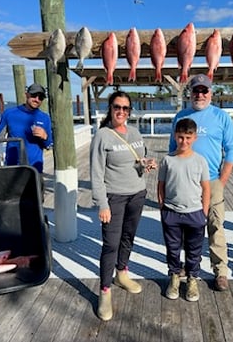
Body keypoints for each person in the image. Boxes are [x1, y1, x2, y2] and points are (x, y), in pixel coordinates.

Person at [90, 90, 157, 321]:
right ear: (110, 109)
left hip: (137, 194)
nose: (121, 111)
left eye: (125, 108)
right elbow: (96, 174)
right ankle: (105, 291)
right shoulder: (102, 136)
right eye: (117, 107)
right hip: (114, 197)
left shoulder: (135, 132)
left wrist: (146, 164)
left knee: (128, 237)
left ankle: (122, 273)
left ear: (130, 111)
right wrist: (102, 204)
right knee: (110, 244)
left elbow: (138, 160)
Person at [169, 74, 233, 291]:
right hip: (185, 183)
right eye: (196, 91)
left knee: (215, 225)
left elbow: (232, 149)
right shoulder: (181, 115)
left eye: (204, 91)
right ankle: (184, 267)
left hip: (212, 180)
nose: (200, 95)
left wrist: (223, 180)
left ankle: (220, 271)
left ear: (211, 93)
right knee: (183, 227)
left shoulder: (221, 117)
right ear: (190, 92)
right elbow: (173, 149)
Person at [158, 118, 210, 302]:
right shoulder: (167, 160)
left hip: (195, 212)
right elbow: (161, 185)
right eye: (180, 137)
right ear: (175, 136)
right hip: (171, 212)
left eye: (188, 137)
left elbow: (206, 188)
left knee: (194, 249)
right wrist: (162, 206)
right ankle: (174, 275)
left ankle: (192, 278)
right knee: (173, 248)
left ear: (195, 137)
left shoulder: (200, 161)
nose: (184, 141)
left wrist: (203, 212)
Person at [0, 83, 53, 174]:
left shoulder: (45, 118)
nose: (37, 99)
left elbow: (49, 145)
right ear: (27, 95)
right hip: (12, 167)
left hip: (35, 169)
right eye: (34, 95)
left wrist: (45, 136)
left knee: (35, 188)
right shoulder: (9, 113)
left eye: (41, 97)